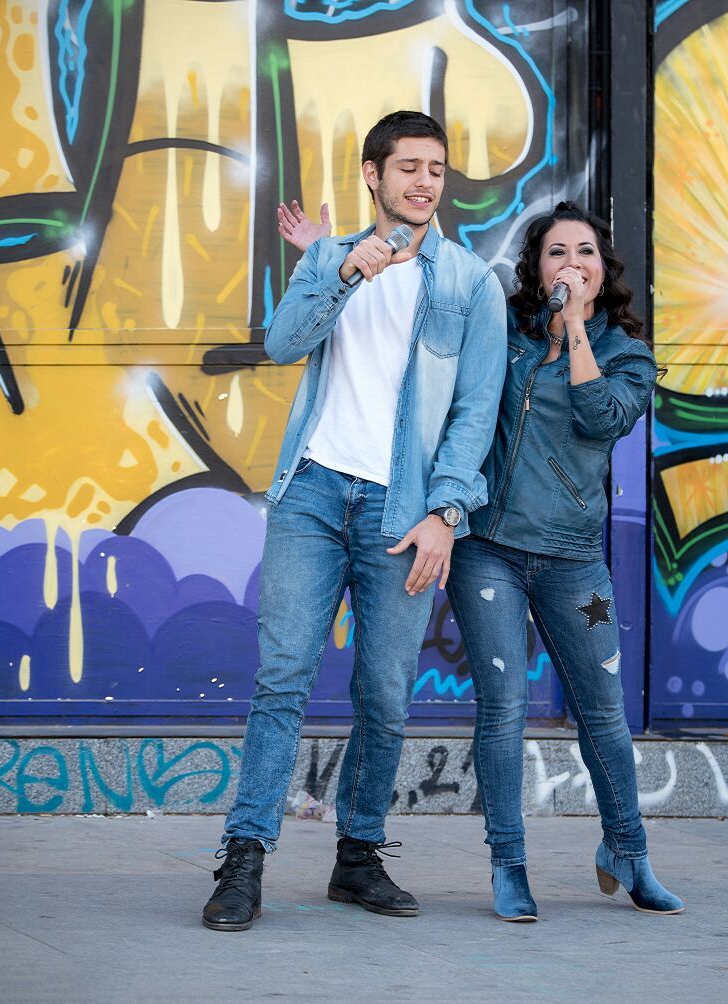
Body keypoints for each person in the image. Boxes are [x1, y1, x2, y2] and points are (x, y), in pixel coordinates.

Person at [203, 111, 506, 932]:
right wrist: (342, 273)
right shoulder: (332, 259)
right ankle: (244, 856)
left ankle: (358, 855)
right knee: (282, 678)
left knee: (384, 691)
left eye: (435, 169)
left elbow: (476, 410)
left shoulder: (469, 284)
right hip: (312, 493)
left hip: (402, 511)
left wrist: (446, 511)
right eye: (408, 167)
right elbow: (281, 344)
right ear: (373, 175)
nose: (424, 182)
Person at [448, 202, 678, 920]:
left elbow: (601, 418)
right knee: (503, 711)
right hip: (487, 547)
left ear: (603, 270)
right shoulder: (505, 333)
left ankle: (628, 851)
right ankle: (509, 864)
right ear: (536, 267)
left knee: (603, 714)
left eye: (584, 253)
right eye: (556, 253)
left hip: (574, 560)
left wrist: (576, 329)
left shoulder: (628, 353)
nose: (571, 264)